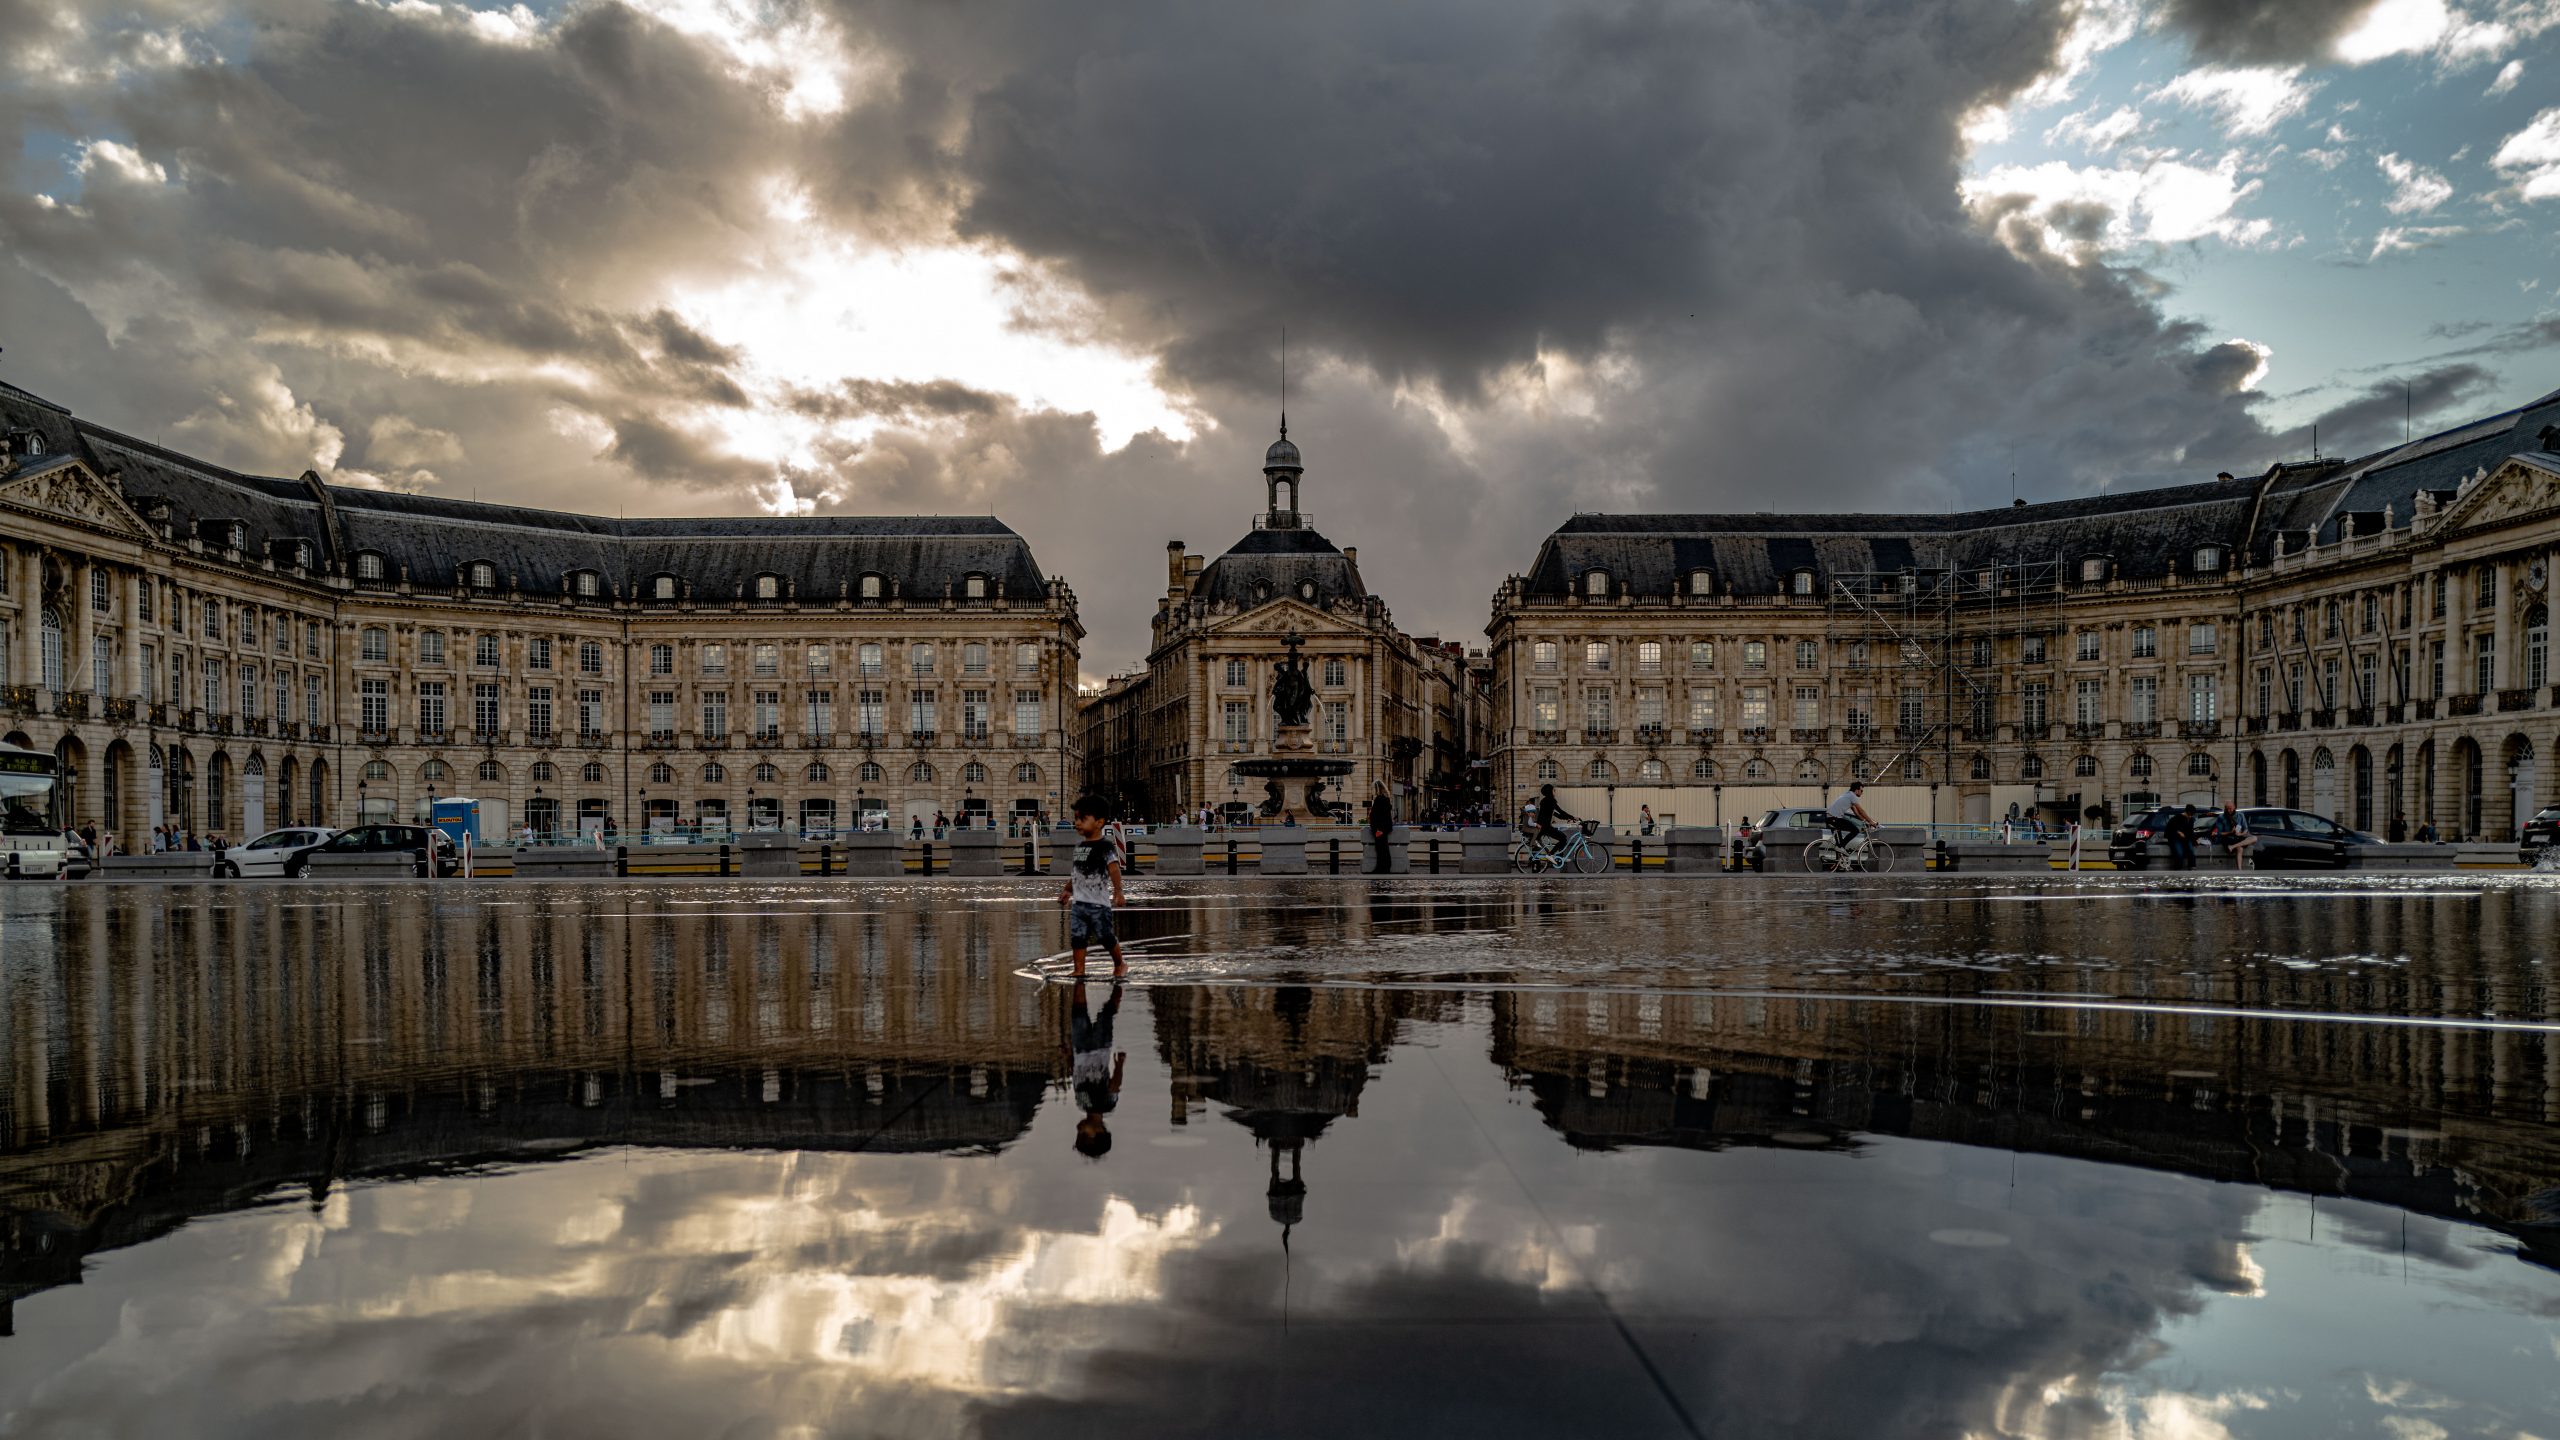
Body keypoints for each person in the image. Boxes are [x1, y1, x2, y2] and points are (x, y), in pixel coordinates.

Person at [1057, 794, 1128, 979]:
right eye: (1077, 819)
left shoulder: (1105, 846)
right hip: (1079, 903)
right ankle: (1079, 969)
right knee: (1078, 937)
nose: (1078, 823)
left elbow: (1114, 869)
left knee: (1105, 936)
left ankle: (1120, 963)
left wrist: (1118, 892)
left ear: (1099, 822)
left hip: (1098, 904)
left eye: (1083, 819)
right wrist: (1067, 890)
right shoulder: (1079, 846)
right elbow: (1076, 873)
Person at [1065, 976, 1126, 1159]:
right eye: (1084, 1134)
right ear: (1100, 1131)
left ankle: (1080, 981)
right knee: (1107, 1013)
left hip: (1080, 1049)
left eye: (1078, 1134)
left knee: (1077, 1012)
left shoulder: (1081, 1104)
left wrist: (1068, 1056)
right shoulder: (1107, 1105)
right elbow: (1114, 1086)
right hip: (1100, 1048)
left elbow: (1076, 1076)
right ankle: (1119, 984)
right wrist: (1120, 1065)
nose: (1078, 1129)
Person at [1823, 782, 1873, 852]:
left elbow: (1857, 813)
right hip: (1834, 818)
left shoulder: (1848, 795)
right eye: (1861, 791)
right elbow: (1861, 811)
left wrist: (1865, 821)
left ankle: (1839, 861)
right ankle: (1840, 847)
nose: (1862, 793)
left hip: (1830, 818)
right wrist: (1871, 822)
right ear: (1856, 790)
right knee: (1855, 830)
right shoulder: (1852, 796)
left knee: (1840, 845)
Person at [1531, 784, 1576, 854]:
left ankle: (1559, 858)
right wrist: (1573, 817)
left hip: (1543, 827)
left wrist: (1568, 818)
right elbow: (1560, 811)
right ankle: (1551, 855)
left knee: (1562, 838)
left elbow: (1557, 815)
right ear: (1550, 791)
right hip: (1546, 827)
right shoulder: (1550, 801)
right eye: (1554, 790)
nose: (1555, 792)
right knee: (1563, 838)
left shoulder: (1544, 801)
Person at [1366, 781, 1396, 874]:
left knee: (1381, 849)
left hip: (1380, 829)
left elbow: (1380, 816)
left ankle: (1382, 868)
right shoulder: (1385, 799)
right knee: (1383, 848)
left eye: (1372, 789)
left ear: (1377, 789)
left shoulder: (1380, 800)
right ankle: (1383, 867)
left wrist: (1379, 829)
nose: (1372, 791)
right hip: (1383, 828)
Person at [2219, 803, 2255, 869]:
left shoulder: (2240, 815)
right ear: (2225, 809)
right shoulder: (2221, 817)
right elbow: (2220, 833)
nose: (2230, 810)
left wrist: (2240, 834)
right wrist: (2230, 832)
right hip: (2229, 838)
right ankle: (2239, 870)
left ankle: (2232, 847)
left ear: (2234, 807)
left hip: (2238, 837)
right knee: (2240, 848)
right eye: (2228, 809)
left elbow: (2246, 829)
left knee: (2254, 838)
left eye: (2231, 808)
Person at [2164, 805, 2197, 870]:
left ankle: (2192, 866)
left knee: (2191, 851)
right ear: (2186, 812)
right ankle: (2178, 868)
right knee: (2179, 853)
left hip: (2185, 838)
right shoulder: (2176, 818)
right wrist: (2179, 832)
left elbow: (2190, 831)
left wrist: (2194, 840)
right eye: (2189, 815)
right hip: (2175, 838)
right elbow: (2170, 828)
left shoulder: (2191, 820)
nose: (2190, 817)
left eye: (2191, 815)